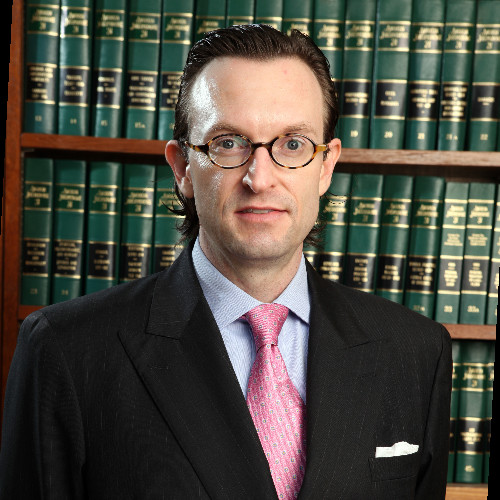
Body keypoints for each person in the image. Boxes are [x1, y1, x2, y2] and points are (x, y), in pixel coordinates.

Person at [0, 24, 451, 499]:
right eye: (229, 142)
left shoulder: (416, 353)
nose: (260, 178)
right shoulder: (67, 351)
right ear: (182, 168)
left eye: (293, 144)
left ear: (326, 166)